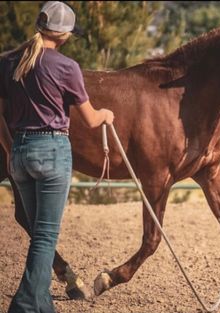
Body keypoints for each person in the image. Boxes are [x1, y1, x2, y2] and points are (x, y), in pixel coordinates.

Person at [0, 2, 114, 312]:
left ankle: (40, 303)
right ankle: (25, 303)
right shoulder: (66, 67)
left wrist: (10, 146)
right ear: (64, 35)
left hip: (19, 151)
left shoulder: (9, 62)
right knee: (46, 235)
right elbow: (91, 120)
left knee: (39, 234)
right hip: (51, 151)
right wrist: (106, 114)